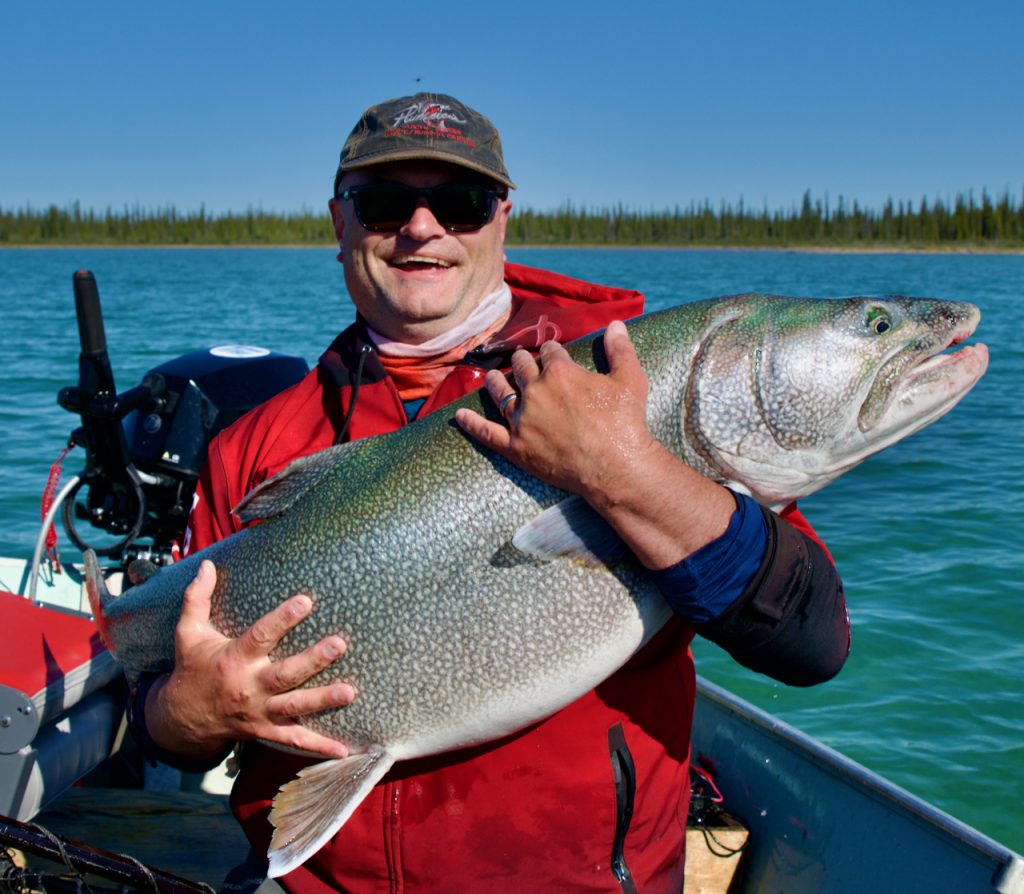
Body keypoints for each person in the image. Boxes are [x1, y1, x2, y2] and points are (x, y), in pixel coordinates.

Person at [128, 93, 850, 892]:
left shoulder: (621, 386)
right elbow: (155, 703)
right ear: (339, 222)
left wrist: (624, 471)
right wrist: (185, 715)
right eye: (386, 202)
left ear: (502, 220)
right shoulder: (253, 444)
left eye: (461, 202)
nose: (422, 227)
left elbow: (811, 642)